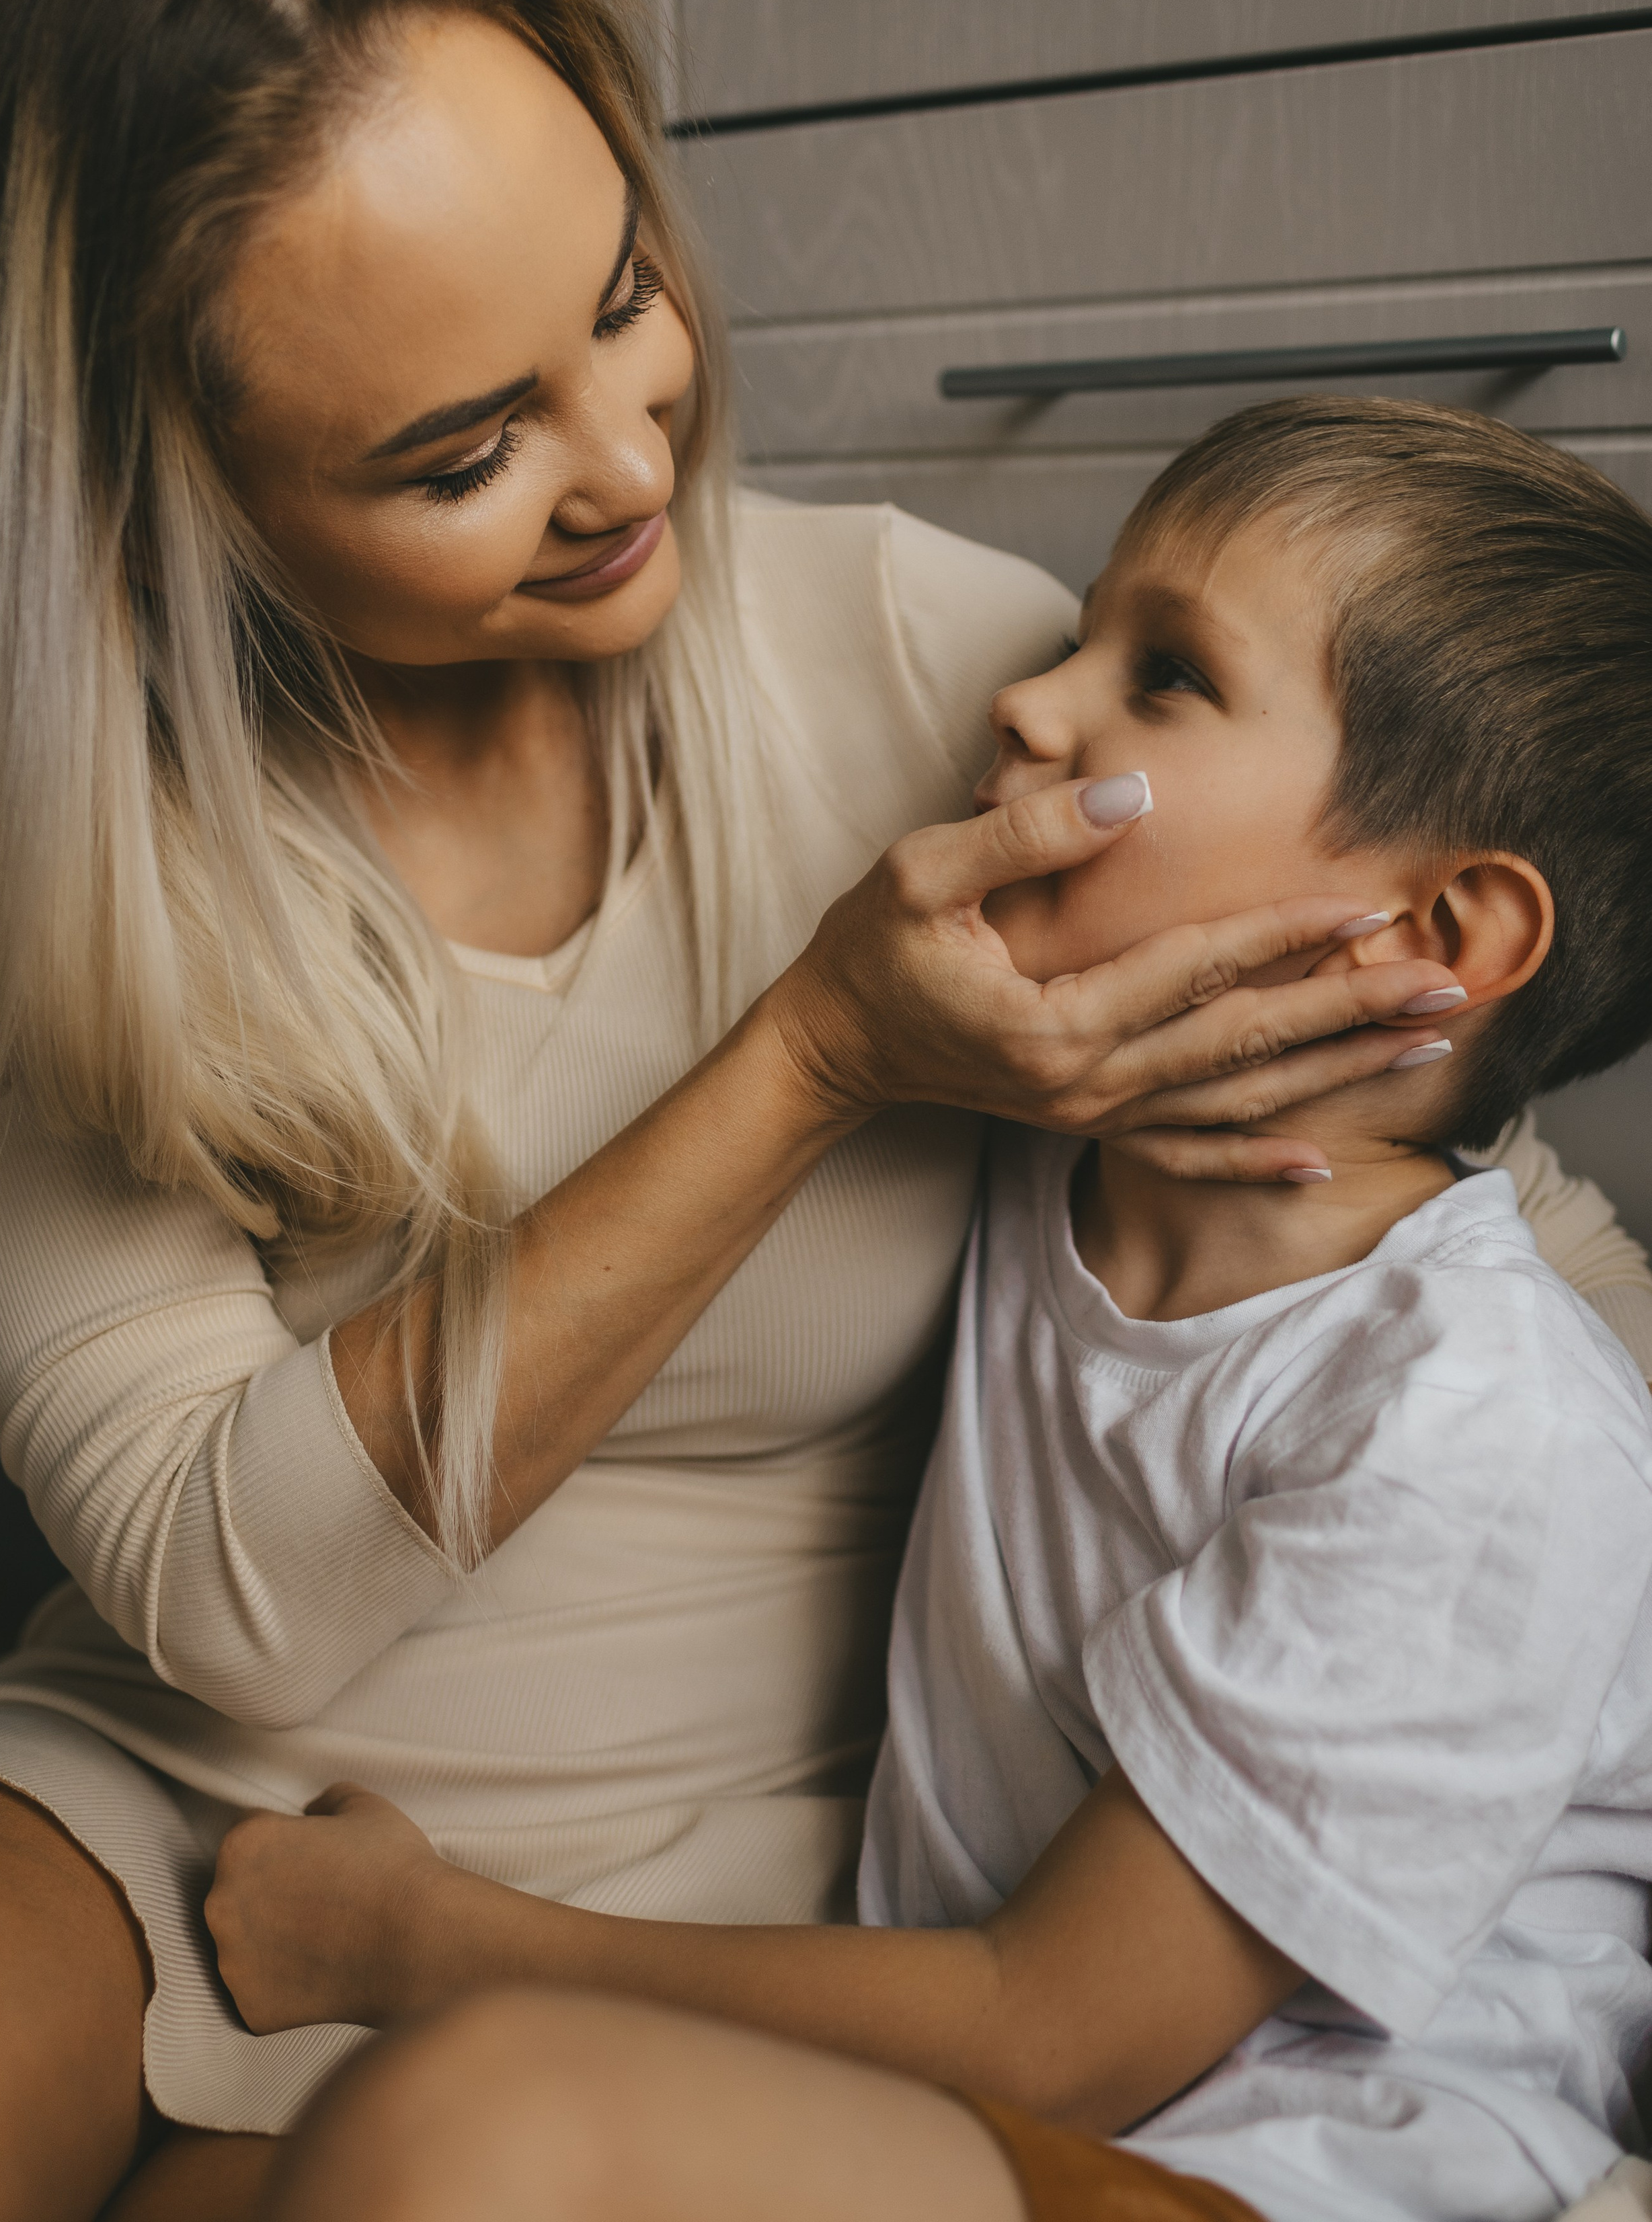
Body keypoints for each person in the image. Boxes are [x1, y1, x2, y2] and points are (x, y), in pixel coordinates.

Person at [0, 0, 1643, 2222]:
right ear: (154, 492)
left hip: (731, 1879)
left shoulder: (940, 671)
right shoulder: (26, 853)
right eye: (463, 443)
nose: (637, 463)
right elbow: (225, 1588)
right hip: (189, 1756)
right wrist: (815, 1051)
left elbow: (1450, 1198)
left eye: (622, 297)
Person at [206, 400, 1652, 2222]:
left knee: (464, 2130)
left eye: (1170, 675)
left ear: (1433, 935)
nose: (1036, 706)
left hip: (1310, 2180)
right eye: (1074, 641)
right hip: (1009, 2117)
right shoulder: (1046, 1156)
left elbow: (1048, 2031)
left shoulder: (1476, 1429)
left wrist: (422, 1941)